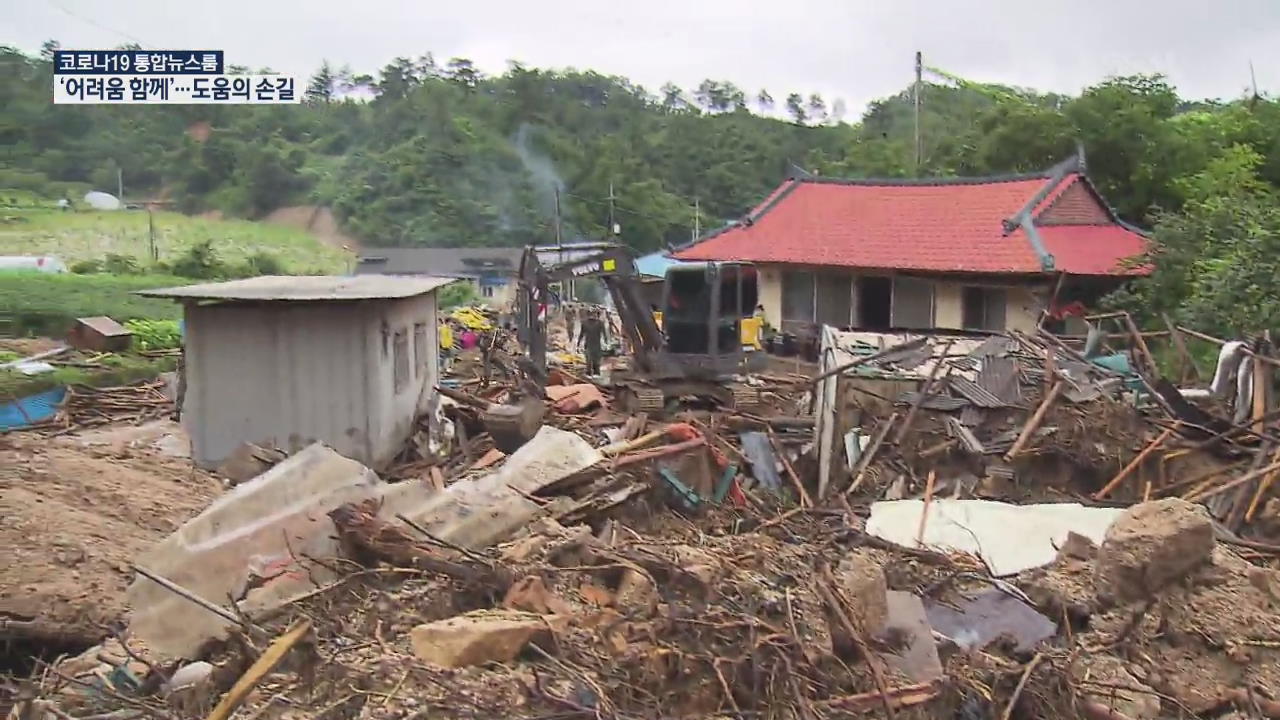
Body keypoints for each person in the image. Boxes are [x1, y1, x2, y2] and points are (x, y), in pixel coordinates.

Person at [579, 308, 606, 377]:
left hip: (592, 344)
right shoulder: (600, 323)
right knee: (593, 359)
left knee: (592, 359)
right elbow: (581, 334)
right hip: (593, 344)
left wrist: (578, 343)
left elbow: (581, 334)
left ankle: (593, 372)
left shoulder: (586, 323)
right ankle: (594, 372)